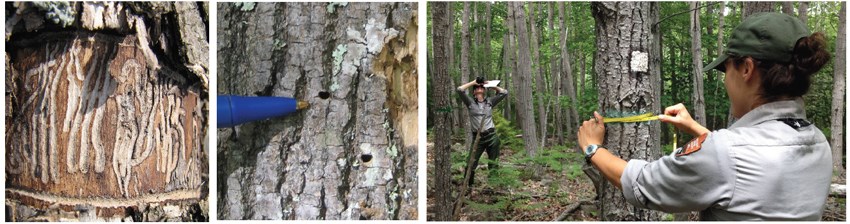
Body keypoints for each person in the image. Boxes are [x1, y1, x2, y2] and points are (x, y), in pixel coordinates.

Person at [576, 12, 832, 220]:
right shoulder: (819, 143)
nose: (725, 81)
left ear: (746, 68)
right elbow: (747, 168)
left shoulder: (724, 153)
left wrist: (593, 148)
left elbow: (643, 183)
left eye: (726, 69)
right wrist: (697, 129)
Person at [457, 77, 508, 186]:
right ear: (474, 91)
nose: (479, 88)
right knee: (470, 164)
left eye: (481, 87)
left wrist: (490, 85)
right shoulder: (470, 103)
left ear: (484, 90)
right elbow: (459, 90)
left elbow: (504, 93)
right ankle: (468, 187)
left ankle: (493, 187)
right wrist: (473, 82)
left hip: (492, 136)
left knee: (493, 163)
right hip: (478, 138)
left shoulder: (490, 102)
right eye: (477, 88)